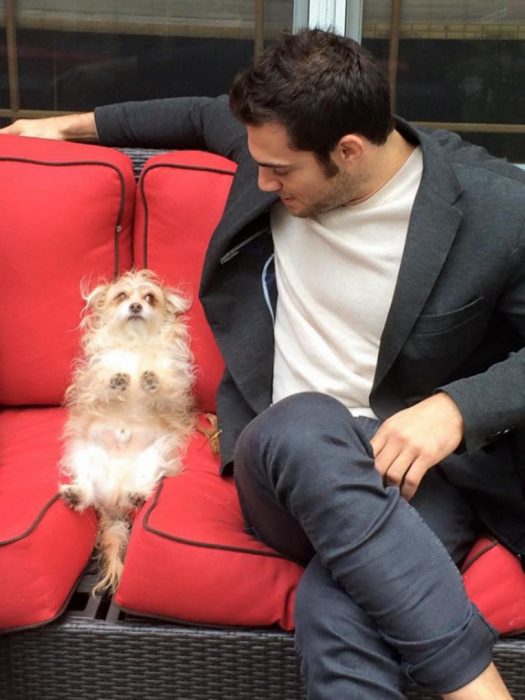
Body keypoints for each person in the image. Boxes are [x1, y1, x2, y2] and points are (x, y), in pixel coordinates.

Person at [3, 28, 524, 699]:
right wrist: (59, 129)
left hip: (418, 476)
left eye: (280, 171)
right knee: (301, 423)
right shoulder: (273, 146)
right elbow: (192, 113)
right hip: (280, 460)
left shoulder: (493, 210)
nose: (260, 181)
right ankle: (476, 688)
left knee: (337, 607)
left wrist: (458, 408)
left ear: (348, 151)